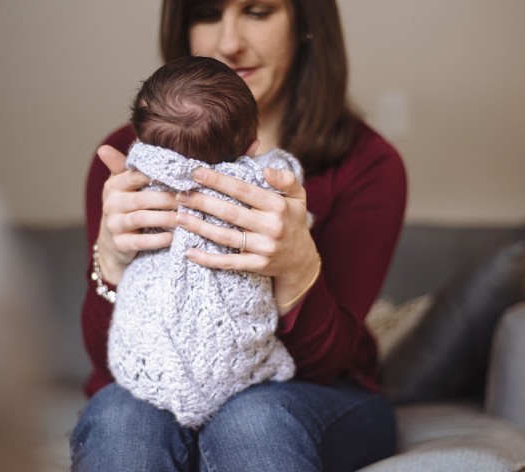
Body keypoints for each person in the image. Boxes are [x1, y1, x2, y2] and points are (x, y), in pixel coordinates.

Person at [70, 0, 407, 470]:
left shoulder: (368, 165)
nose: (229, 42)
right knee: (122, 420)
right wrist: (111, 259)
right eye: (207, 13)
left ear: (306, 23)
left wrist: (297, 270)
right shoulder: (130, 162)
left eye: (258, 10)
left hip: (323, 391)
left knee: (254, 419)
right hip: (155, 385)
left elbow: (325, 363)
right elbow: (109, 362)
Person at [108, 55, 304, 429]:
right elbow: (295, 215)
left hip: (145, 365)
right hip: (239, 370)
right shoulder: (265, 183)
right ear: (251, 146)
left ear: (140, 138)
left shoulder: (136, 183)